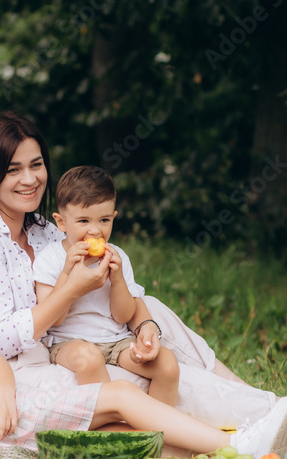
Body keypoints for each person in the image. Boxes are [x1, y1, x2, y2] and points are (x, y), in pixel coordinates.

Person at [0, 112, 287, 459]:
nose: (30, 179)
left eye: (36, 164)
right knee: (161, 377)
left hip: (87, 339)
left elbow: (111, 303)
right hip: (42, 364)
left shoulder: (45, 228)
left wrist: (141, 324)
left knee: (151, 317)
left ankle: (270, 407)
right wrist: (70, 292)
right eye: (13, 170)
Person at [0, 184, 287, 459]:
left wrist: (7, 388)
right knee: (117, 398)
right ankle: (239, 446)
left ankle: (230, 445)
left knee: (115, 411)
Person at [34, 166, 180, 406]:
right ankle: (108, 427)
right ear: (61, 222)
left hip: (115, 340)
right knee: (89, 358)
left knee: (167, 363)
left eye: (104, 220)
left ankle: (156, 433)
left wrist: (118, 279)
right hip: (68, 342)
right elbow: (54, 320)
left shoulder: (117, 256)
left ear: (113, 217)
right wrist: (68, 273)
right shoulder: (50, 259)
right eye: (83, 220)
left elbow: (123, 315)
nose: (95, 230)